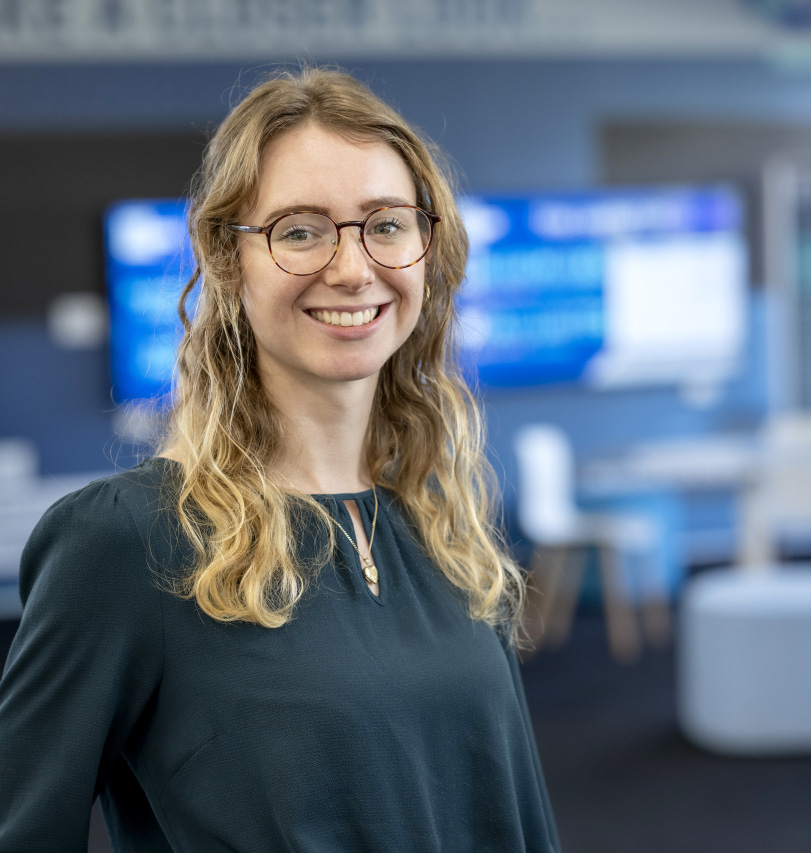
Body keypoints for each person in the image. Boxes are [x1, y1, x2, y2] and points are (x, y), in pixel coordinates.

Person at [0, 67, 560, 851]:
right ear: (227, 260)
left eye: (386, 224)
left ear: (427, 250)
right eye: (299, 231)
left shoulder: (440, 518)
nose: (352, 268)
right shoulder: (127, 541)